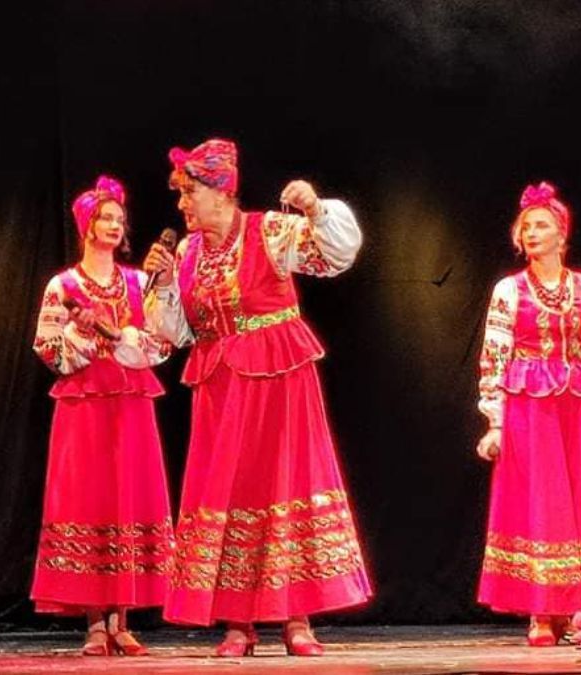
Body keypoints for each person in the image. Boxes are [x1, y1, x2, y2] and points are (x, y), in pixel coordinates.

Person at [144, 138, 371, 657]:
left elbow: (337, 256)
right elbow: (177, 332)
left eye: (189, 192)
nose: (182, 204)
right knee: (230, 490)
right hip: (221, 386)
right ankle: (237, 622)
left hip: (278, 378)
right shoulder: (187, 252)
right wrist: (164, 284)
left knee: (284, 481)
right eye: (180, 194)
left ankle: (297, 617)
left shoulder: (268, 230)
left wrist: (316, 209)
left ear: (222, 191)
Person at [475, 182, 581, 646]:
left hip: (576, 408)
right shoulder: (509, 290)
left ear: (561, 234)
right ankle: (540, 611)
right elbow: (494, 356)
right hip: (529, 410)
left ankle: (572, 608)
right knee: (539, 505)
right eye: (526, 227)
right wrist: (494, 422)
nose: (532, 233)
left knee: (580, 504)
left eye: (541, 225)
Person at [29, 176, 174, 656]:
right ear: (87, 226)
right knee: (89, 499)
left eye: (119, 219)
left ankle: (122, 618)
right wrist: (84, 338)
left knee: (129, 496)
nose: (114, 225)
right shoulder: (63, 286)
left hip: (130, 400)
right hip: (85, 405)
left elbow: (162, 342)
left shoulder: (136, 282)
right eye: (105, 218)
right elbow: (48, 349)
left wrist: (127, 340)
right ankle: (94, 621)